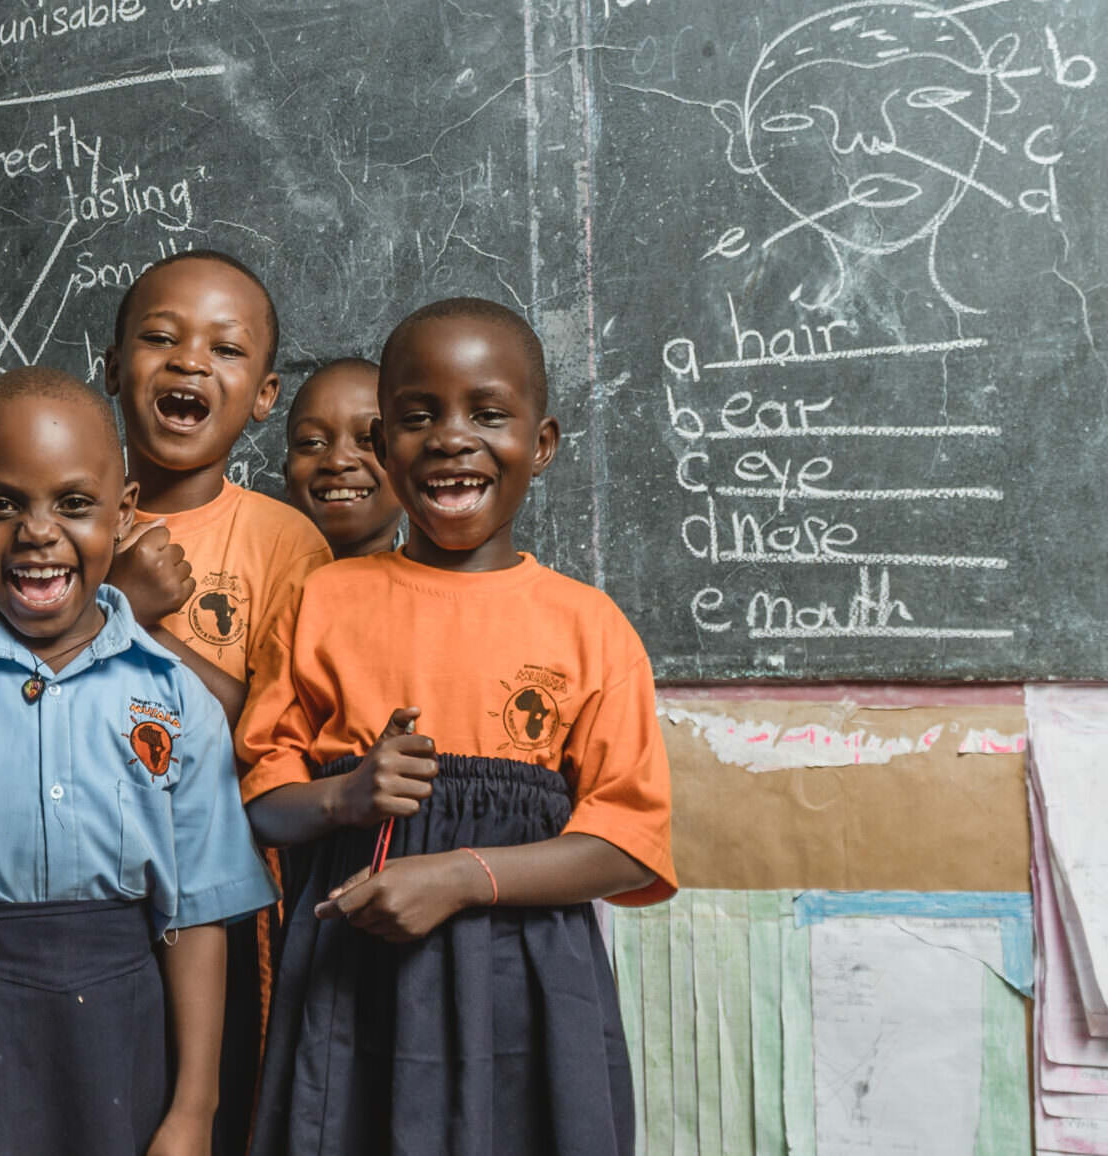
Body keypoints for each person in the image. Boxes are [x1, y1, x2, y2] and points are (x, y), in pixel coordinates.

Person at [238, 297, 677, 1155]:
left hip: (528, 990)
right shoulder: (321, 602)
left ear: (540, 444)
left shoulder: (591, 628)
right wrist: (348, 797)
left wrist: (461, 877)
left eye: (487, 413)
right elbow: (263, 802)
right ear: (384, 448)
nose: (449, 437)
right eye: (415, 416)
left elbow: (630, 844)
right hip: (351, 985)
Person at [0, 368, 276, 1156]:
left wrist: (194, 1110)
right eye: (1, 505)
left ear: (126, 513)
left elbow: (199, 915)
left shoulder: (174, 698)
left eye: (74, 504)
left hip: (120, 1019)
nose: (38, 532)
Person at [102, 249, 331, 1152]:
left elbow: (265, 738)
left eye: (224, 350)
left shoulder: (284, 542)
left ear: (266, 394)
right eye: (160, 338)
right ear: (114, 366)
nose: (190, 361)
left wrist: (132, 616)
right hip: (76, 884)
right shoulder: (64, 511)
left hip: (217, 898)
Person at [282, 357, 406, 559]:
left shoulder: (449, 586)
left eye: (368, 439)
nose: (338, 461)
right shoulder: (252, 585)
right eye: (312, 442)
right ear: (287, 476)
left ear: (409, 468)